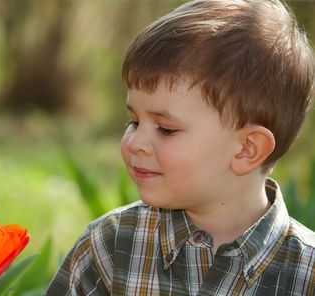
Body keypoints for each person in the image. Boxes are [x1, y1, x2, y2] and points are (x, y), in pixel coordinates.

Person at [46, 0, 315, 295]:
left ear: (247, 149)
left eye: (166, 129)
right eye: (133, 121)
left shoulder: (306, 275)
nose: (134, 143)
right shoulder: (109, 247)